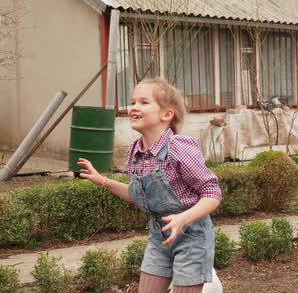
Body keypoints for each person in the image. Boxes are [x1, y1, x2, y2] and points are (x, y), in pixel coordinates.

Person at [78, 78, 222, 293]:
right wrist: (103, 181)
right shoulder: (135, 152)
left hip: (192, 237)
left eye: (144, 102)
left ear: (166, 114)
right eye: (133, 101)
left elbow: (212, 193)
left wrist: (183, 218)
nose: (134, 107)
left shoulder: (179, 148)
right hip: (159, 236)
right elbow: (140, 196)